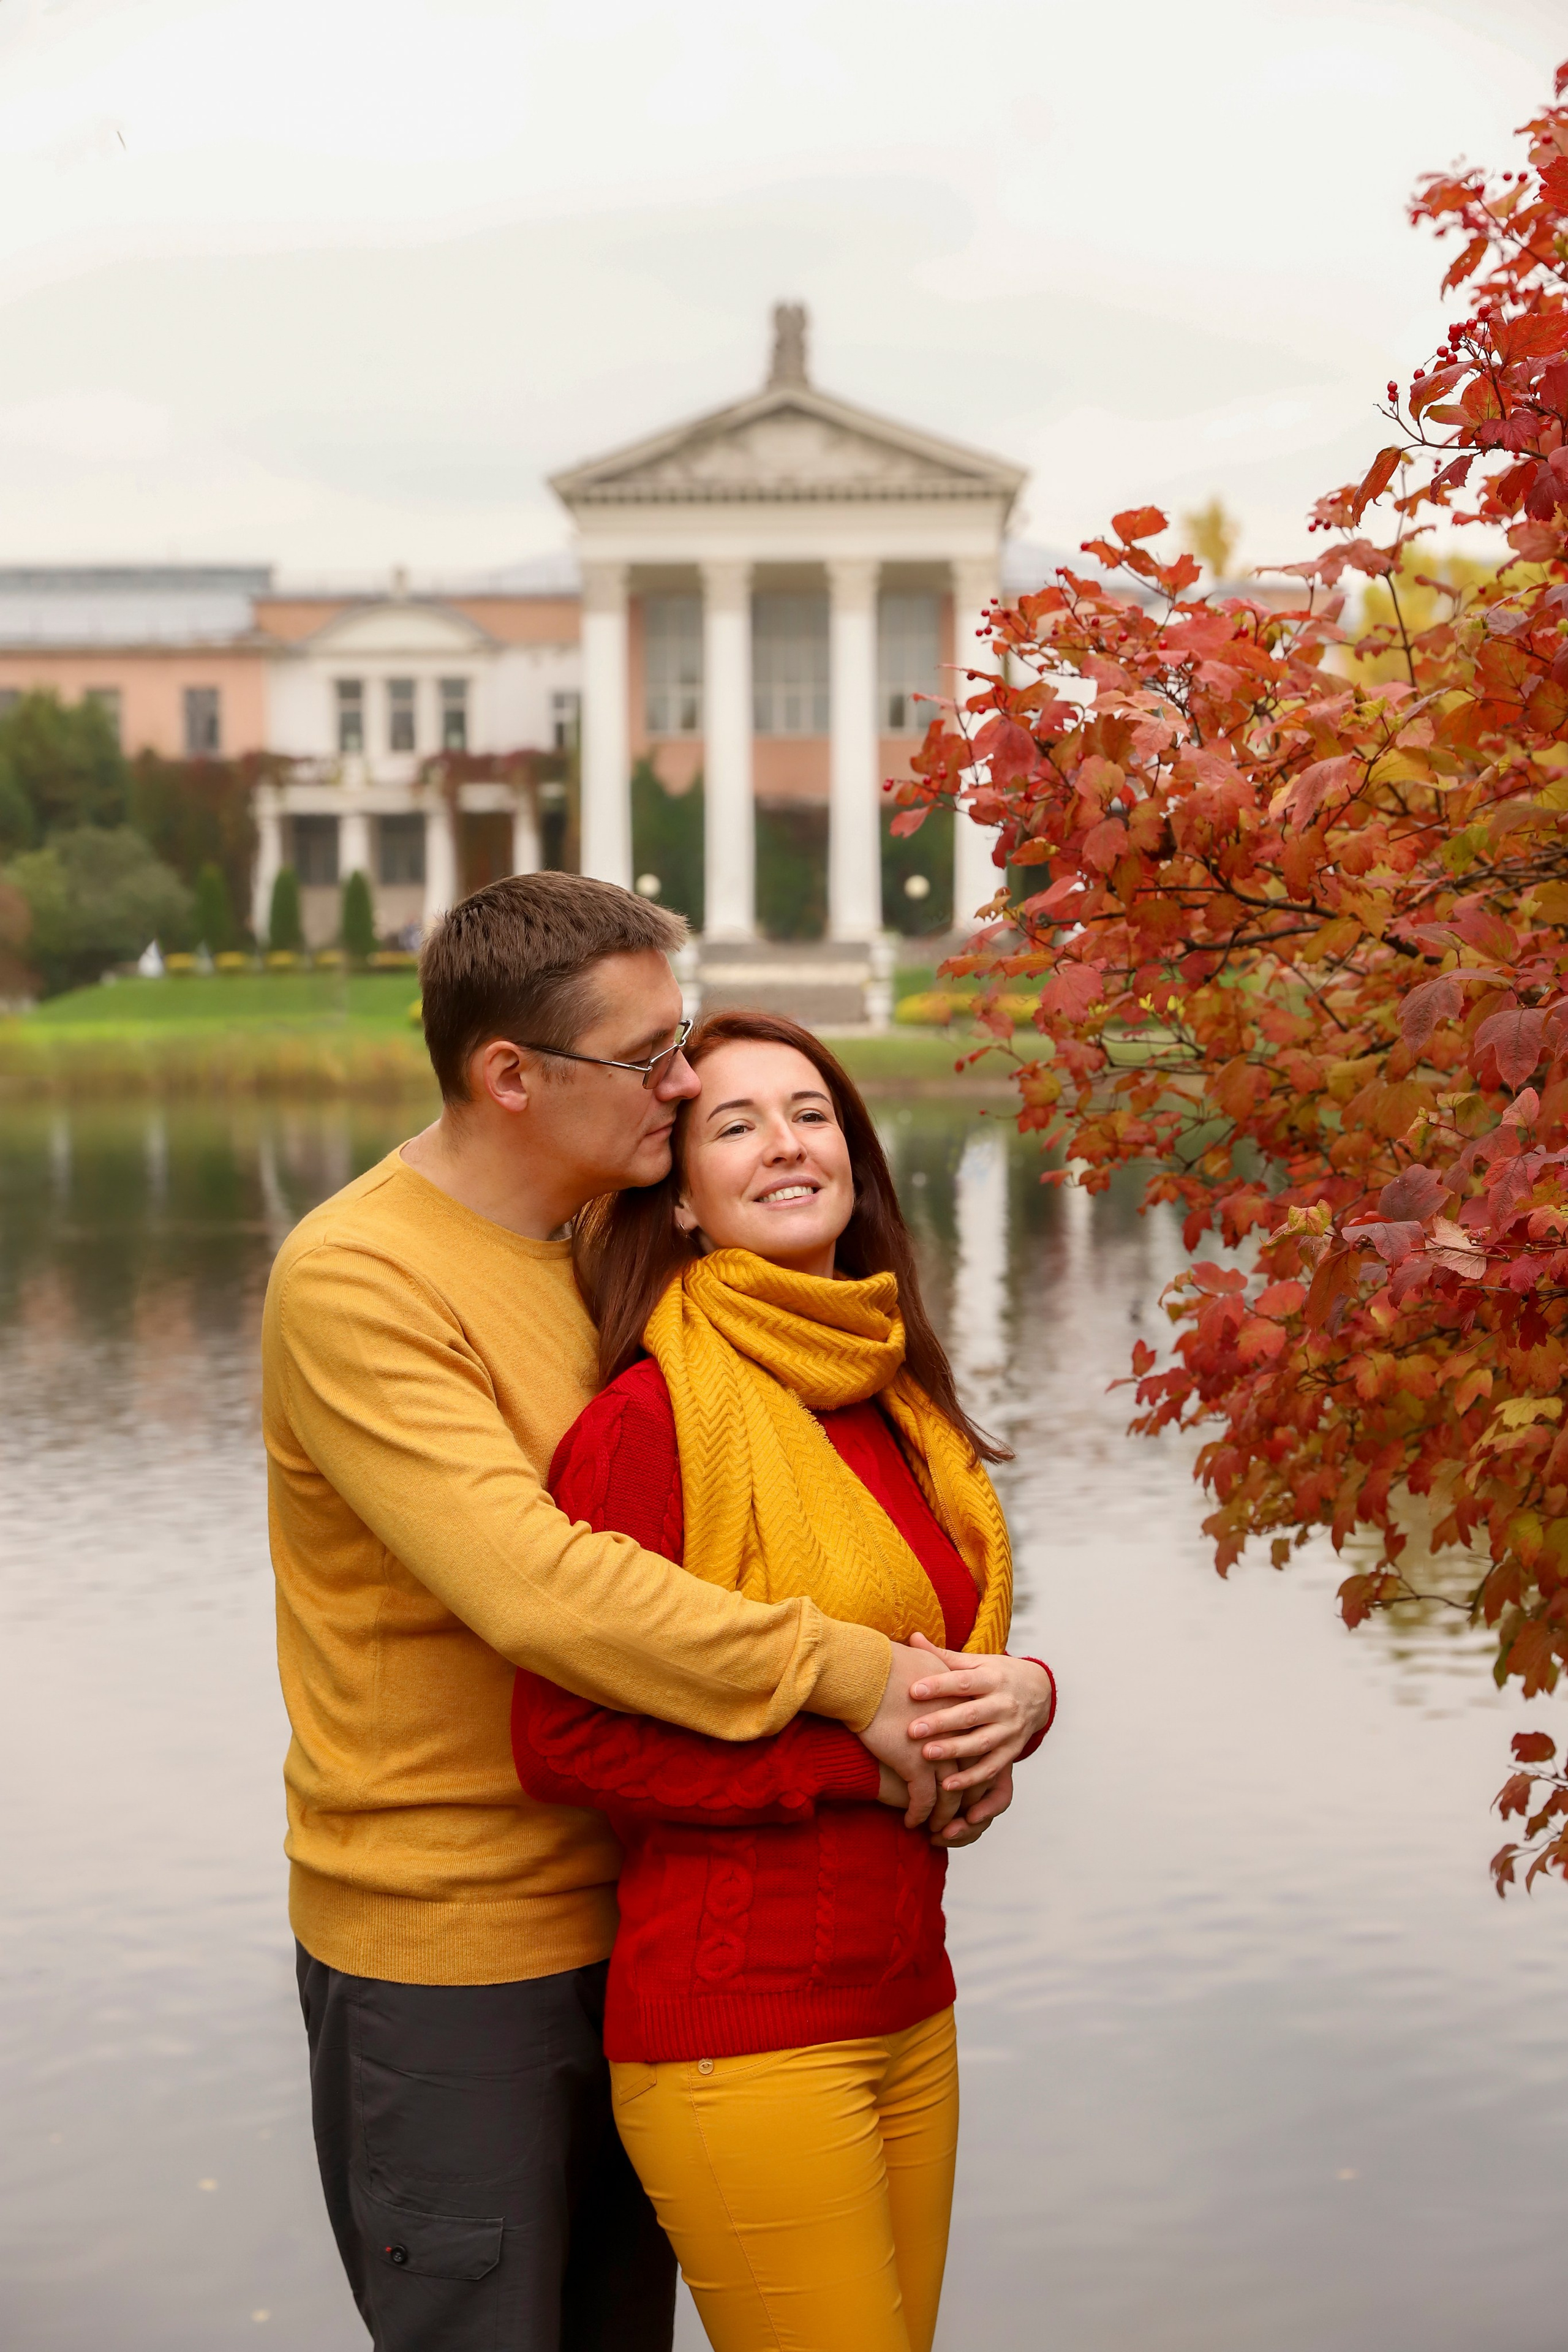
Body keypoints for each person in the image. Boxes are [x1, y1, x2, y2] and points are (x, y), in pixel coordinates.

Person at [262, 878, 969, 2352]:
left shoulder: (610, 1260)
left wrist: (996, 1690)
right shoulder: (357, 1278)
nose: (690, 1079)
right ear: (508, 1077)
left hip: (658, 1919)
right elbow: (539, 1586)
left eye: (685, 1036)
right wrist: (862, 1686)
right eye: (649, 1057)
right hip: (452, 1951)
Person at [511, 1011, 1057, 2352]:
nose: (783, 1145)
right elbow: (563, 1747)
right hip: (737, 2029)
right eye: (733, 1125)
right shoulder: (644, 1423)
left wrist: (1031, 1699)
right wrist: (861, 1765)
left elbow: (944, 1667)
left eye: (809, 1112)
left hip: (905, 1997)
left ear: (856, 1163)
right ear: (682, 1199)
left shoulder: (893, 1399)